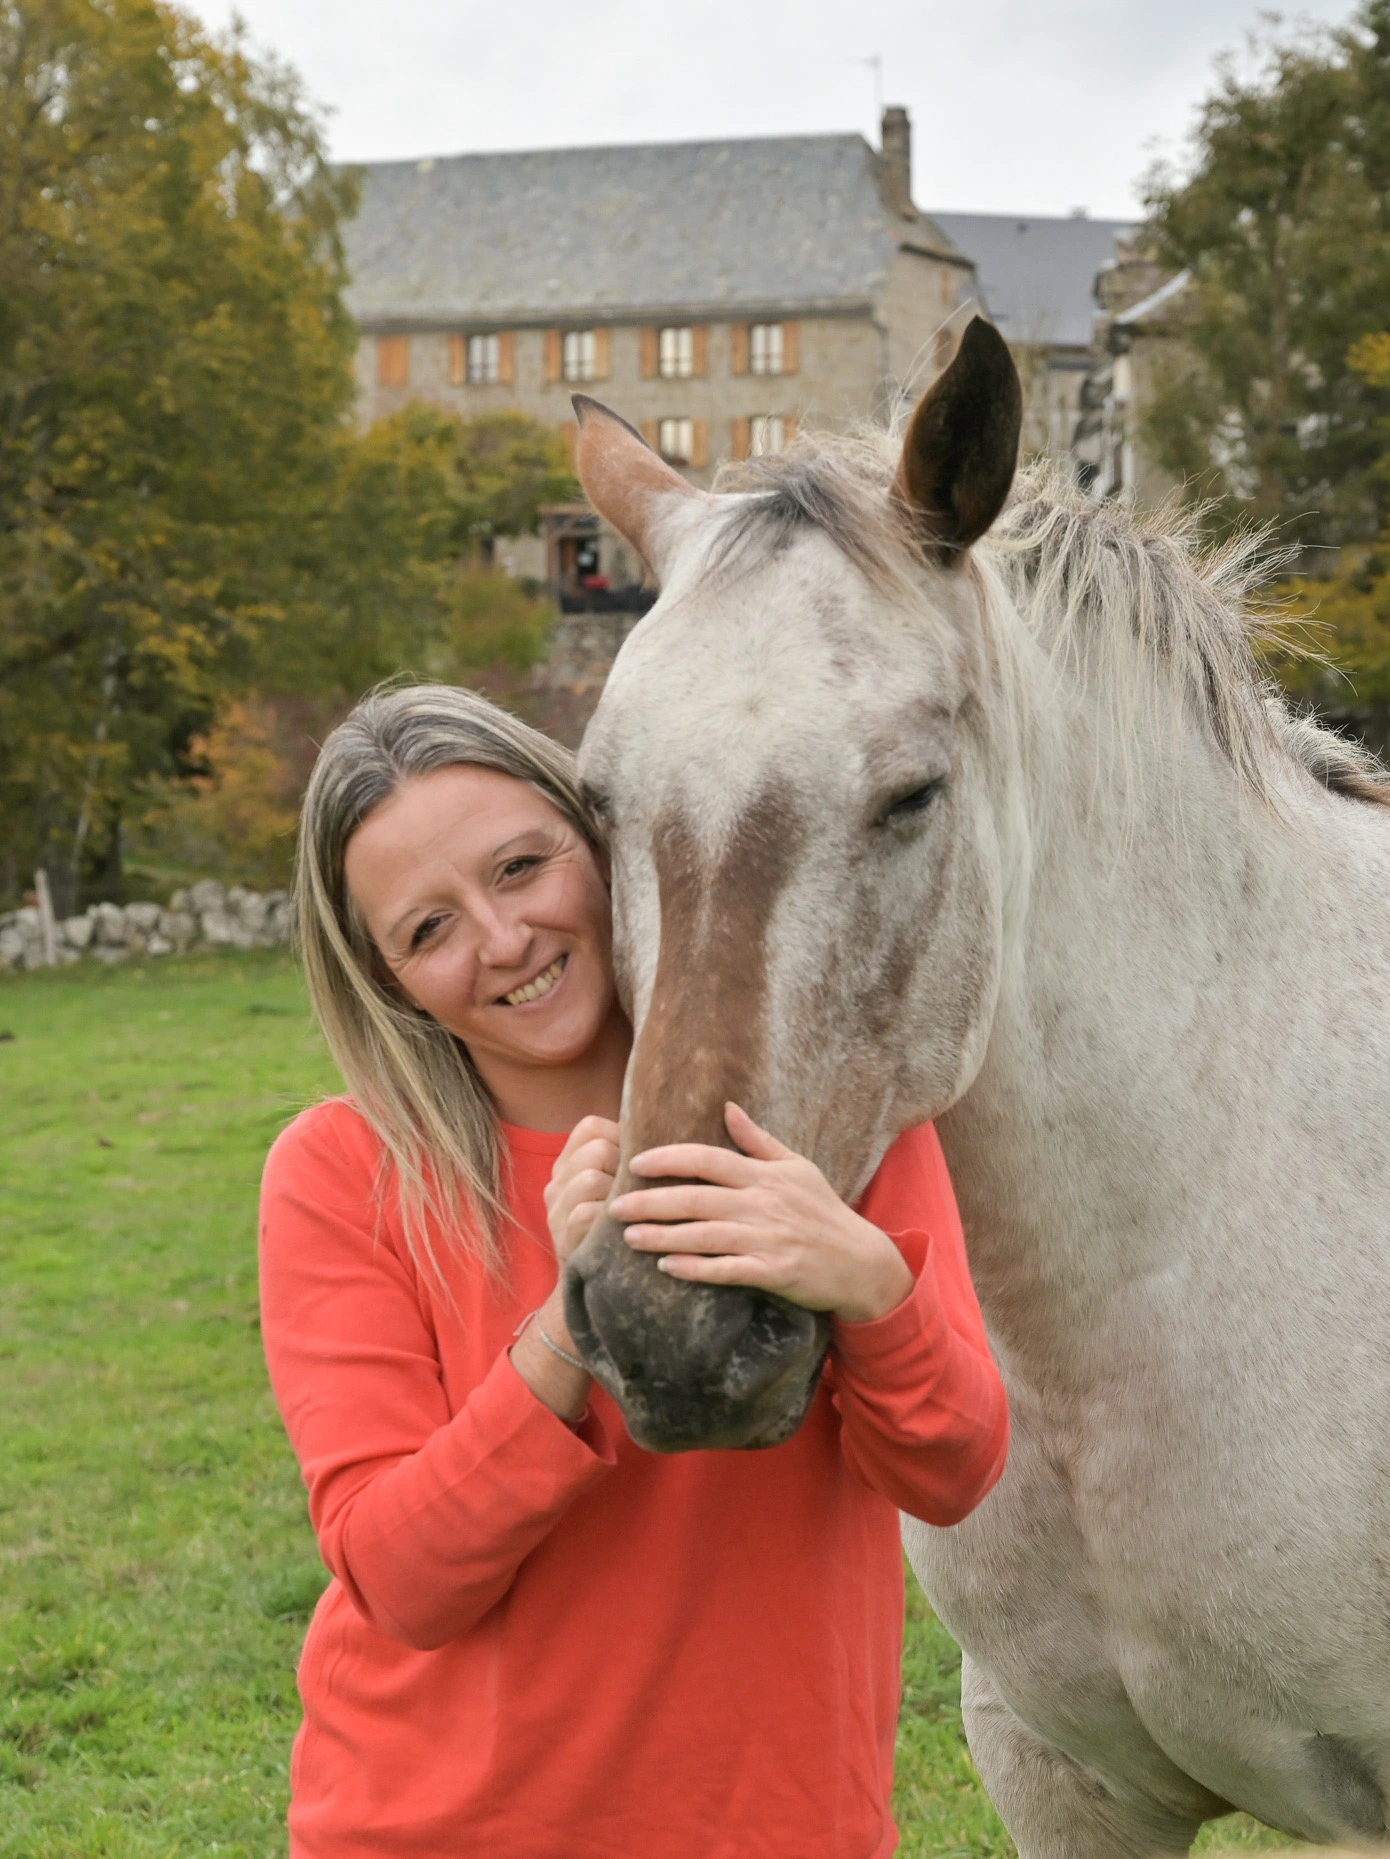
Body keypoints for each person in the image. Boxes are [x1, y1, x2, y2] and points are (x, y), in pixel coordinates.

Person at [258, 684, 1008, 1859]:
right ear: (390, 978)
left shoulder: (829, 1113)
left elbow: (953, 1469)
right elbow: (402, 1577)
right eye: (428, 928)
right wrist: (575, 1314)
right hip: (436, 1829)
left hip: (774, 1825)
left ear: (604, 841)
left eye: (518, 868)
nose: (501, 940)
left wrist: (865, 1282)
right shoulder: (345, 1172)